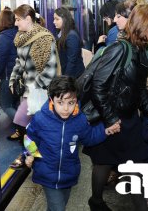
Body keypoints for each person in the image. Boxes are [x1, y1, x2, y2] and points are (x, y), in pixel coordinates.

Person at [83, 5, 148, 211]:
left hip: (129, 119)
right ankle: (97, 201)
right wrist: (110, 119)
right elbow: (98, 86)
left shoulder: (142, 50)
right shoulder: (119, 49)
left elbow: (139, 90)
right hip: (112, 118)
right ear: (143, 27)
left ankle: (100, 202)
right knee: (104, 161)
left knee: (131, 165)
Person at [25, 76, 117, 211]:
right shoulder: (40, 118)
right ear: (51, 100)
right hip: (47, 174)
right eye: (60, 102)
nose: (66, 108)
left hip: (69, 175)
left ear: (76, 101)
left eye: (71, 102)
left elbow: (89, 137)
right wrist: (30, 154)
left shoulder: (79, 120)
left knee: (56, 206)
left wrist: (106, 131)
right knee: (58, 208)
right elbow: (29, 138)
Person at [8, 4, 58, 143]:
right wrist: (13, 78)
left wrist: (33, 87)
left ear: (28, 19)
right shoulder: (21, 37)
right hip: (27, 92)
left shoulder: (45, 39)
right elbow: (20, 61)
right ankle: (32, 158)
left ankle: (35, 158)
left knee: (27, 124)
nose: (15, 23)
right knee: (31, 129)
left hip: (40, 93)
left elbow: (50, 70)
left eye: (18, 19)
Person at [0, 10, 19, 123]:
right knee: (16, 103)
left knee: (6, 105)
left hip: (8, 76)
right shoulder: (18, 33)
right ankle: (21, 130)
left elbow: (0, 62)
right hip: (19, 74)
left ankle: (27, 127)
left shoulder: (3, 37)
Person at [53, 7, 85, 78]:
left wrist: (65, 78)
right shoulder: (62, 32)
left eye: (57, 19)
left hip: (74, 75)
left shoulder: (71, 35)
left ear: (65, 20)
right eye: (54, 19)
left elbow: (72, 61)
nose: (54, 22)